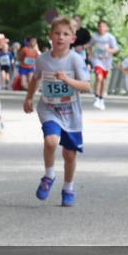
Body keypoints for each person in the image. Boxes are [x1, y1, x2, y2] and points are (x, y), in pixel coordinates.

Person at [23, 16, 91, 206]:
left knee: (69, 155)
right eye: (57, 33)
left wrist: (67, 80)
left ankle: (68, 188)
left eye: (65, 34)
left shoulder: (76, 60)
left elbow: (86, 86)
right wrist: (29, 97)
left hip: (71, 112)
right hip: (49, 108)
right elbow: (35, 79)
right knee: (51, 141)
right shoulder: (42, 60)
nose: (61, 37)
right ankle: (49, 176)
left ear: (73, 39)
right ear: (51, 36)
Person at [88, 19, 119, 110]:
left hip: (106, 61)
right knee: (99, 77)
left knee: (104, 80)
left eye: (103, 26)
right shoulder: (94, 36)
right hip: (97, 60)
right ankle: (96, 97)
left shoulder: (110, 37)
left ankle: (101, 99)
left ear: (107, 28)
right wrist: (90, 55)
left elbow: (116, 49)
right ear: (98, 27)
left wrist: (108, 50)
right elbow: (89, 46)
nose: (101, 28)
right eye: (100, 26)